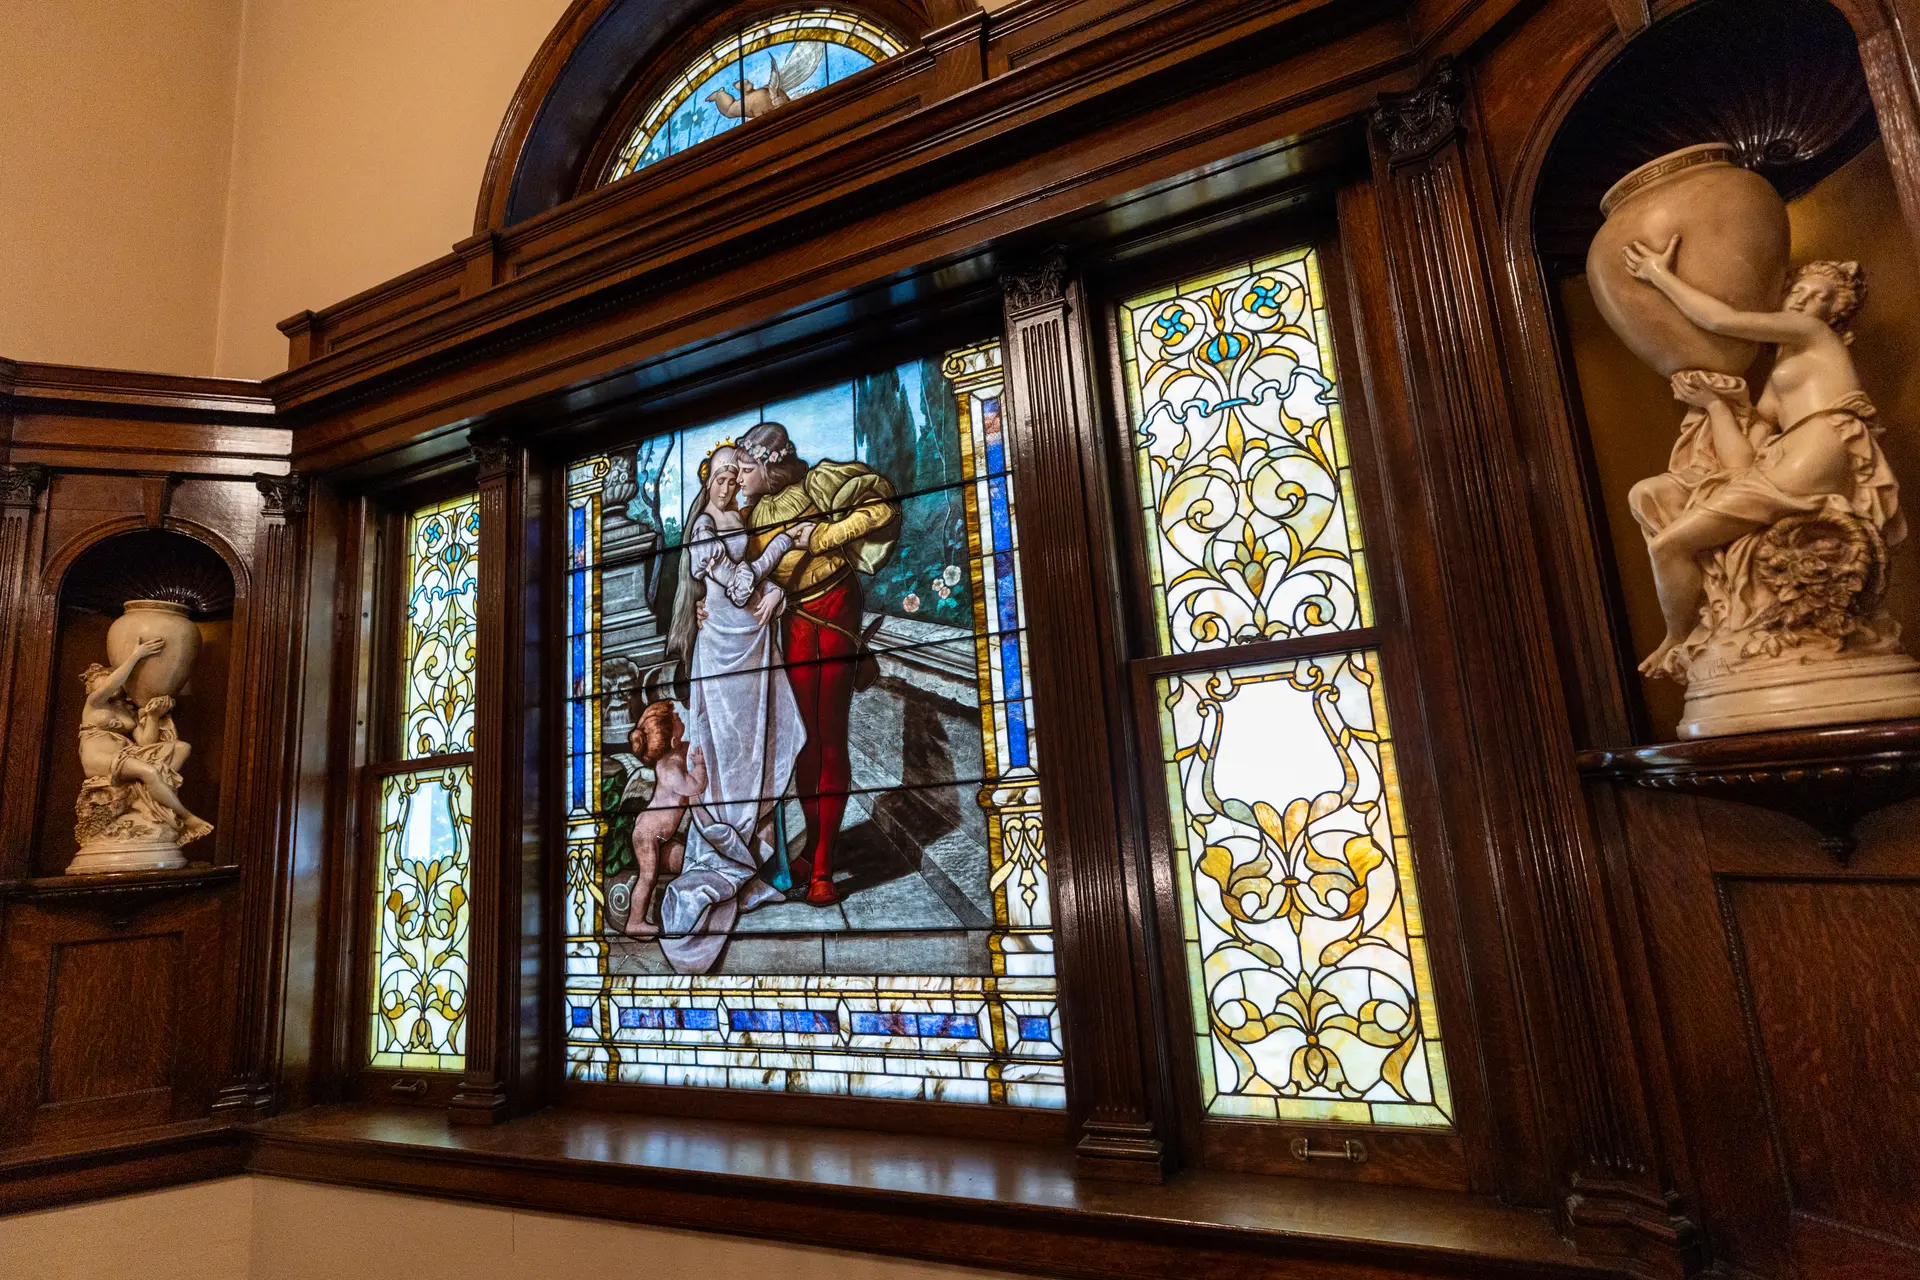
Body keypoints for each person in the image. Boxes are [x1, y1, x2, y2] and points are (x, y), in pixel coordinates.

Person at [1620, 240, 1898, 675]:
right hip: (1790, 459)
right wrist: (1715, 404)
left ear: (1835, 312)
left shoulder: (1815, 336)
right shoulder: (1778, 379)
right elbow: (1741, 464)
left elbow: (1720, 320)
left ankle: (1679, 635)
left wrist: (1658, 274)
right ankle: (1698, 629)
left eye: (1820, 295)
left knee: (1670, 544)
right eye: (1798, 291)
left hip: (1817, 448)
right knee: (1660, 505)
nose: (1805, 299)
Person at [656, 444, 812, 972]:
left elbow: (756, 590)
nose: (727, 484)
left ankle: (761, 869)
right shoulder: (703, 528)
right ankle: (729, 867)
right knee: (725, 755)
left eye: (733, 475)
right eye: (720, 476)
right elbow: (741, 586)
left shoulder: (739, 517)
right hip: (724, 649)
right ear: (708, 479)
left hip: (752, 640)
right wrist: (780, 556)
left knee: (760, 748)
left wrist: (779, 595)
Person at [732, 421, 900, 906]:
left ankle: (824, 862)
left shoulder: (818, 483)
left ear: (769, 465)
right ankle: (814, 844)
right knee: (805, 737)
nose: (741, 479)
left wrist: (825, 533)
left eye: (746, 469)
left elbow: (880, 507)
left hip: (834, 607)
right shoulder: (749, 516)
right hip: (794, 621)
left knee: (828, 733)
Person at [77, 638, 212, 843]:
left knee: (182, 748)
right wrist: (137, 655)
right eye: (103, 682)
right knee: (147, 771)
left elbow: (146, 744)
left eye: (110, 678)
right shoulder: (94, 703)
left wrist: (153, 716)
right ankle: (186, 817)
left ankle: (150, 795)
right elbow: (114, 682)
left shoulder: (127, 710)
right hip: (100, 757)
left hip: (127, 753)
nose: (109, 683)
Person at [619, 701, 706, 939]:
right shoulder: (670, 772)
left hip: (659, 834)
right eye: (679, 722)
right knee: (647, 877)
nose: (682, 720)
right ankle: (634, 922)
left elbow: (686, 746)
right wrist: (699, 766)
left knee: (680, 860)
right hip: (648, 833)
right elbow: (694, 786)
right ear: (673, 740)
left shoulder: (670, 757)